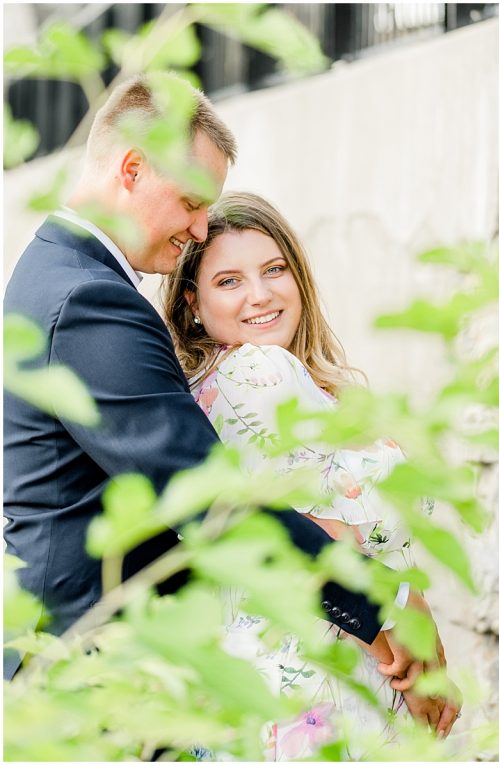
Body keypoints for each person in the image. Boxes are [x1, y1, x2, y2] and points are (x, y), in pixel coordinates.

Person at [2, 73, 445, 726]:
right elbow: (216, 500)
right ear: (132, 168)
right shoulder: (89, 301)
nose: (199, 224)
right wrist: (384, 605)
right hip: (93, 686)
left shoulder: (60, 275)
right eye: (191, 200)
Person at [162, 191, 460, 758]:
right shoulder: (256, 371)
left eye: (275, 269)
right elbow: (311, 543)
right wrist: (415, 654)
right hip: (313, 688)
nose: (260, 294)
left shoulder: (268, 386)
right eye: (229, 281)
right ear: (192, 304)